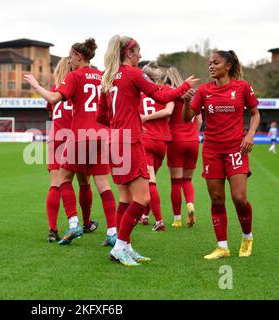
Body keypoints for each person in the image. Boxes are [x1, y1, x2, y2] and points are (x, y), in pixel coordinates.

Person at [97, 35, 199, 266]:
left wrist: (122, 121)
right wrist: (184, 86)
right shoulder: (133, 73)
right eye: (139, 51)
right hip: (129, 141)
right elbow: (161, 95)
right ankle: (120, 248)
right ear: (129, 53)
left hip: (115, 140)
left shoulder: (108, 77)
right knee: (142, 199)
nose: (141, 55)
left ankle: (125, 246)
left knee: (125, 198)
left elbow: (101, 116)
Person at [24, 38, 118, 246]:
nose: (69, 61)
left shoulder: (75, 76)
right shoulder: (103, 77)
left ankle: (74, 223)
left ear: (79, 56)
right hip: (102, 135)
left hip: (80, 136)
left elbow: (53, 99)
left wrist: (36, 85)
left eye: (71, 56)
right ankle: (112, 232)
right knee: (103, 184)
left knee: (64, 178)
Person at [183, 50, 260, 259]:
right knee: (217, 198)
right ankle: (222, 247)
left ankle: (247, 236)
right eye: (209, 63)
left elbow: (255, 113)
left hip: (236, 148)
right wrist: (185, 100)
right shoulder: (204, 91)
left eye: (215, 63)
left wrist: (250, 135)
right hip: (212, 150)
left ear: (228, 66)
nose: (211, 66)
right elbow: (186, 117)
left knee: (239, 198)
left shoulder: (242, 87)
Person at [45, 57, 97, 242]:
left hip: (56, 137)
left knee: (55, 184)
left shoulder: (54, 89)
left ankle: (52, 229)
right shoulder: (79, 85)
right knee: (84, 182)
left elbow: (51, 112)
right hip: (76, 137)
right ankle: (86, 222)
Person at [164, 67, 202, 228]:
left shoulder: (172, 96)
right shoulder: (192, 96)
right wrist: (193, 133)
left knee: (175, 182)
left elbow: (166, 117)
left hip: (176, 140)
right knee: (187, 180)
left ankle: (177, 219)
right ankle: (190, 204)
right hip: (193, 140)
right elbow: (199, 120)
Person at [138, 61, 172, 231]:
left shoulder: (139, 93)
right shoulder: (166, 91)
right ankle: (144, 216)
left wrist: (146, 118)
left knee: (149, 181)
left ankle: (159, 221)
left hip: (146, 139)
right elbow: (169, 111)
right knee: (149, 180)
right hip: (162, 141)